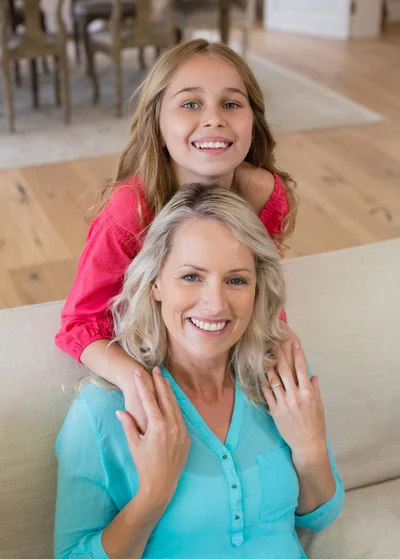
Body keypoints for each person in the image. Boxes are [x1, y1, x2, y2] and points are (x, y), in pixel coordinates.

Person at [54, 185, 344, 559]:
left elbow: (322, 516)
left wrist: (311, 448)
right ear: (155, 283)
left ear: (258, 288)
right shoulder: (103, 410)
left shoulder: (278, 380)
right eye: (191, 276)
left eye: (236, 280)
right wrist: (153, 493)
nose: (215, 303)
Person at [54, 39, 300, 431]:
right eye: (190, 104)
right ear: (158, 123)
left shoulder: (265, 195)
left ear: (253, 120)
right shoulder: (129, 210)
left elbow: (255, 279)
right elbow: (80, 323)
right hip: (154, 348)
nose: (214, 119)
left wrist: (278, 338)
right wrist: (136, 382)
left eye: (232, 104)